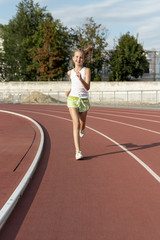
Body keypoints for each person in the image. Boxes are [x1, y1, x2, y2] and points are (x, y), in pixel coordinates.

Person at [66, 46, 93, 160]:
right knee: (75, 123)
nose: (78, 59)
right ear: (73, 58)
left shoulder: (86, 70)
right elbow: (74, 85)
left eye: (81, 58)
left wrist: (80, 78)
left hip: (83, 100)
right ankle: (78, 151)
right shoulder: (69, 72)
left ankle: (82, 129)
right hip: (72, 99)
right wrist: (70, 90)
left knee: (82, 124)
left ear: (84, 60)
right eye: (76, 57)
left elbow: (87, 87)